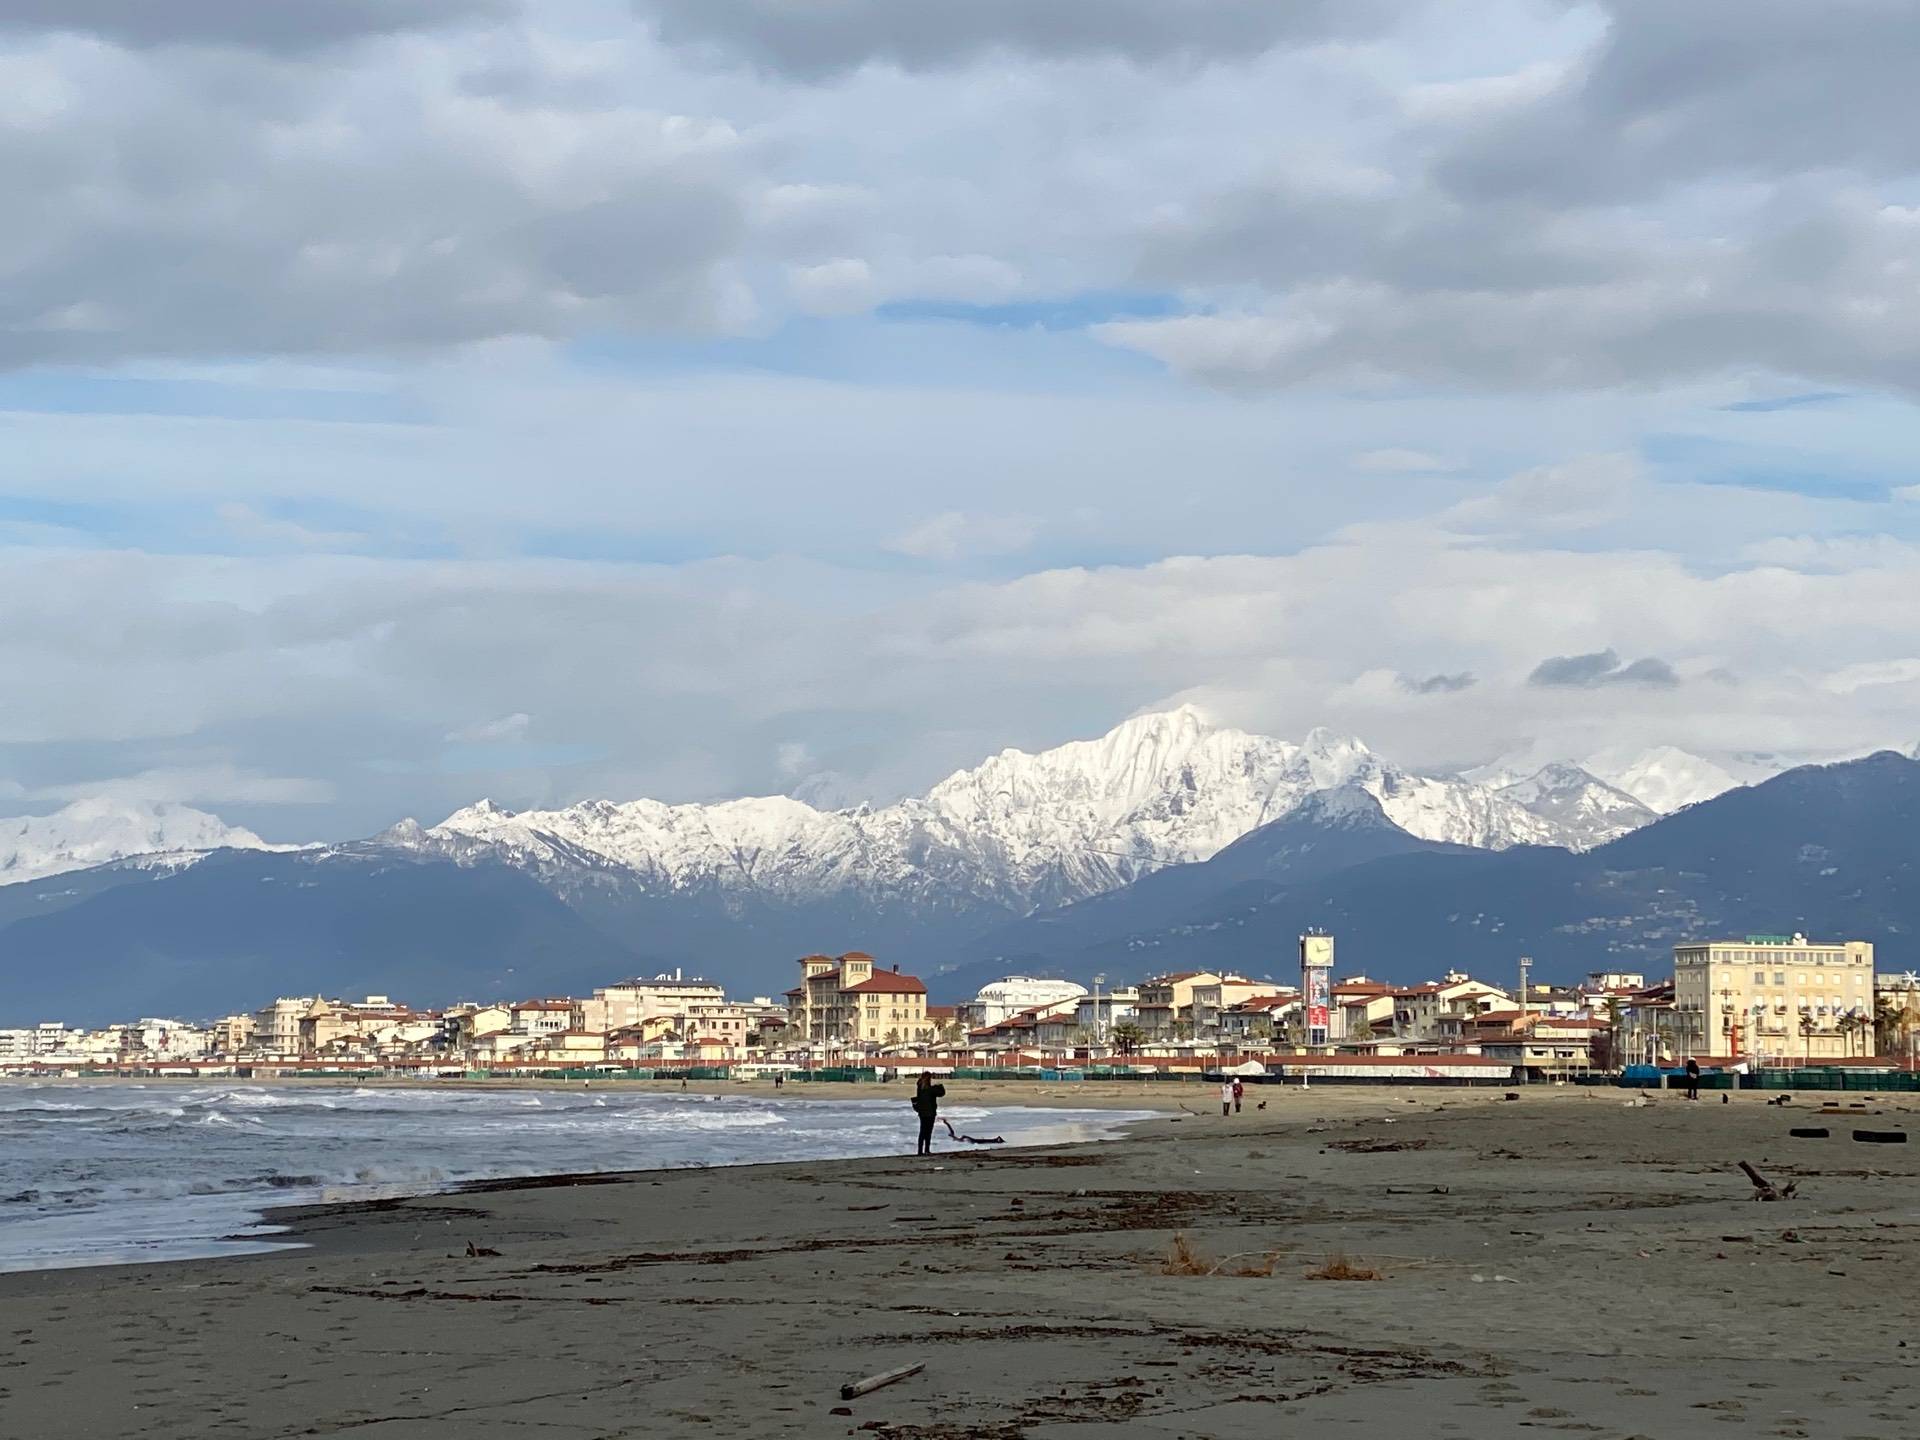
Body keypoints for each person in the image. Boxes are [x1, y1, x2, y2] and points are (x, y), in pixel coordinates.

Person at [911, 1072, 946, 1156]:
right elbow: (941, 1093)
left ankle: (920, 1151)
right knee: (928, 1132)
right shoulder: (930, 1090)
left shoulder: (920, 1088)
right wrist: (940, 1085)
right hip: (930, 1113)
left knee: (922, 1132)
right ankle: (926, 1149)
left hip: (922, 1113)